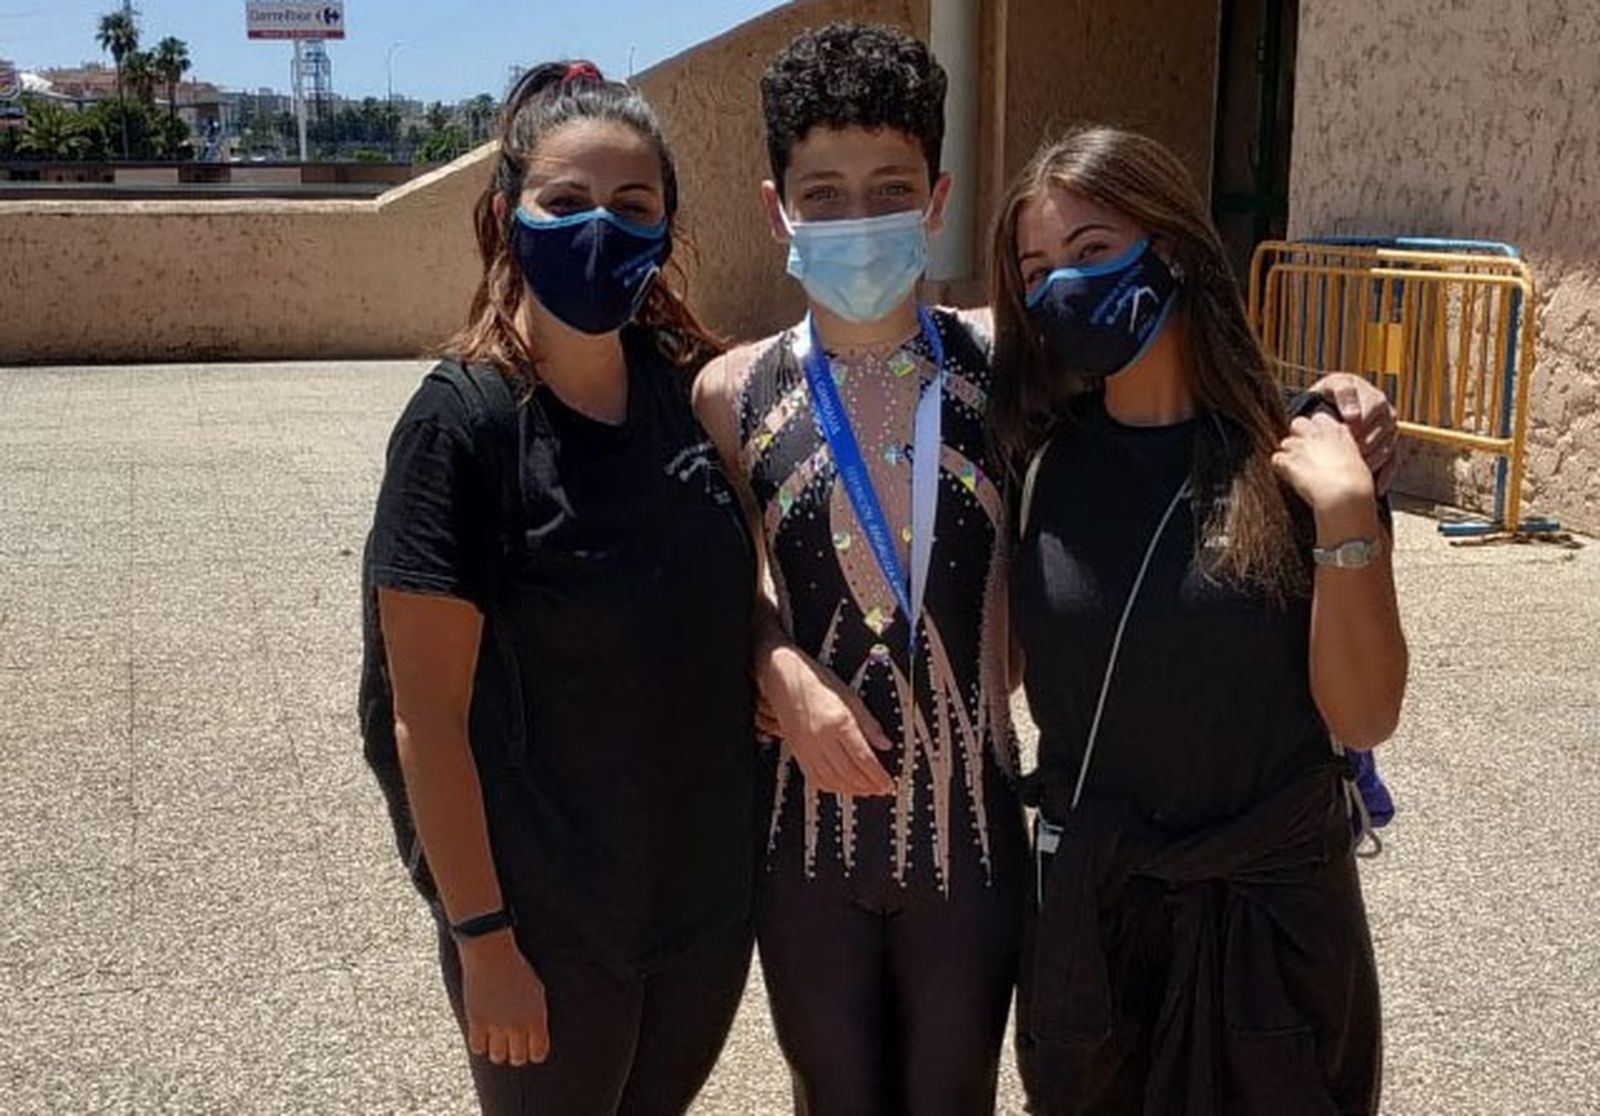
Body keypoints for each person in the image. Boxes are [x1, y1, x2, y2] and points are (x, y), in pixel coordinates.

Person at [694, 23, 1396, 1116]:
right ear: (774, 205)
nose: (857, 217)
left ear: (935, 199)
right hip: (807, 844)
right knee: (827, 1094)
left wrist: (1337, 394)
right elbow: (702, 584)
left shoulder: (1000, 367)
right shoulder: (727, 392)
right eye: (820, 193)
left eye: (889, 187)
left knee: (956, 1095)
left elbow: (1176, 360)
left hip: (973, 840)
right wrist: (774, 663)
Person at [363, 61, 757, 1115]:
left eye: (633, 206)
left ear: (667, 228)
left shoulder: (690, 391)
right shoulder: (463, 428)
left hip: (698, 911)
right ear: (508, 216)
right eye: (565, 203)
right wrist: (482, 938)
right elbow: (424, 720)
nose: (600, 230)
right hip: (546, 923)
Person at [990, 126, 1407, 1114]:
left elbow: (1363, 717)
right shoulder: (1032, 460)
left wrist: (1347, 514)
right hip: (1097, 942)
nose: (1063, 289)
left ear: (1171, 248)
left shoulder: (1302, 454)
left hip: (1275, 935)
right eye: (1036, 269)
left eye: (1093, 253)